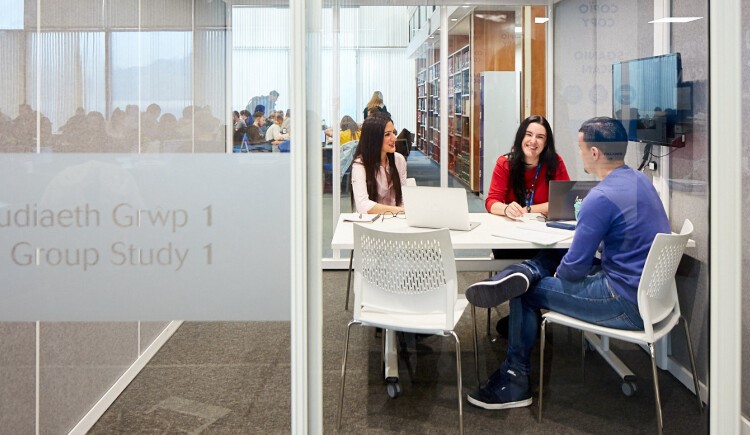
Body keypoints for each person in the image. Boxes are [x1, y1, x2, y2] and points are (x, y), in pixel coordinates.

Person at [465, 117, 671, 411]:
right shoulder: (640, 181)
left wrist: (564, 264)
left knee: (526, 291)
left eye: (581, 147)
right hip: (653, 298)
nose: (580, 153)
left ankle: (515, 381)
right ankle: (525, 272)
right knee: (538, 270)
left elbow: (572, 270)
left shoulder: (598, 198)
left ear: (595, 153)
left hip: (624, 301)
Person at [485, 115, 570, 336]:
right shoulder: (505, 163)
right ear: (521, 137)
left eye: (540, 137)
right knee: (535, 263)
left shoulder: (555, 163)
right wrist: (505, 209)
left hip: (544, 237)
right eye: (529, 135)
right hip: (511, 238)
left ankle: (520, 317)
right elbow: (491, 201)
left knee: (549, 255)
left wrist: (531, 209)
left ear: (546, 142)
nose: (533, 141)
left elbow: (564, 201)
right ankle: (527, 314)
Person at [350, 113, 406, 214]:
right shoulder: (359, 165)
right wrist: (399, 210)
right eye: (387, 134)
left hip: (396, 220)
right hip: (371, 223)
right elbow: (363, 206)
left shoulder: (399, 160)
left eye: (393, 132)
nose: (394, 138)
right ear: (374, 138)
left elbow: (403, 198)